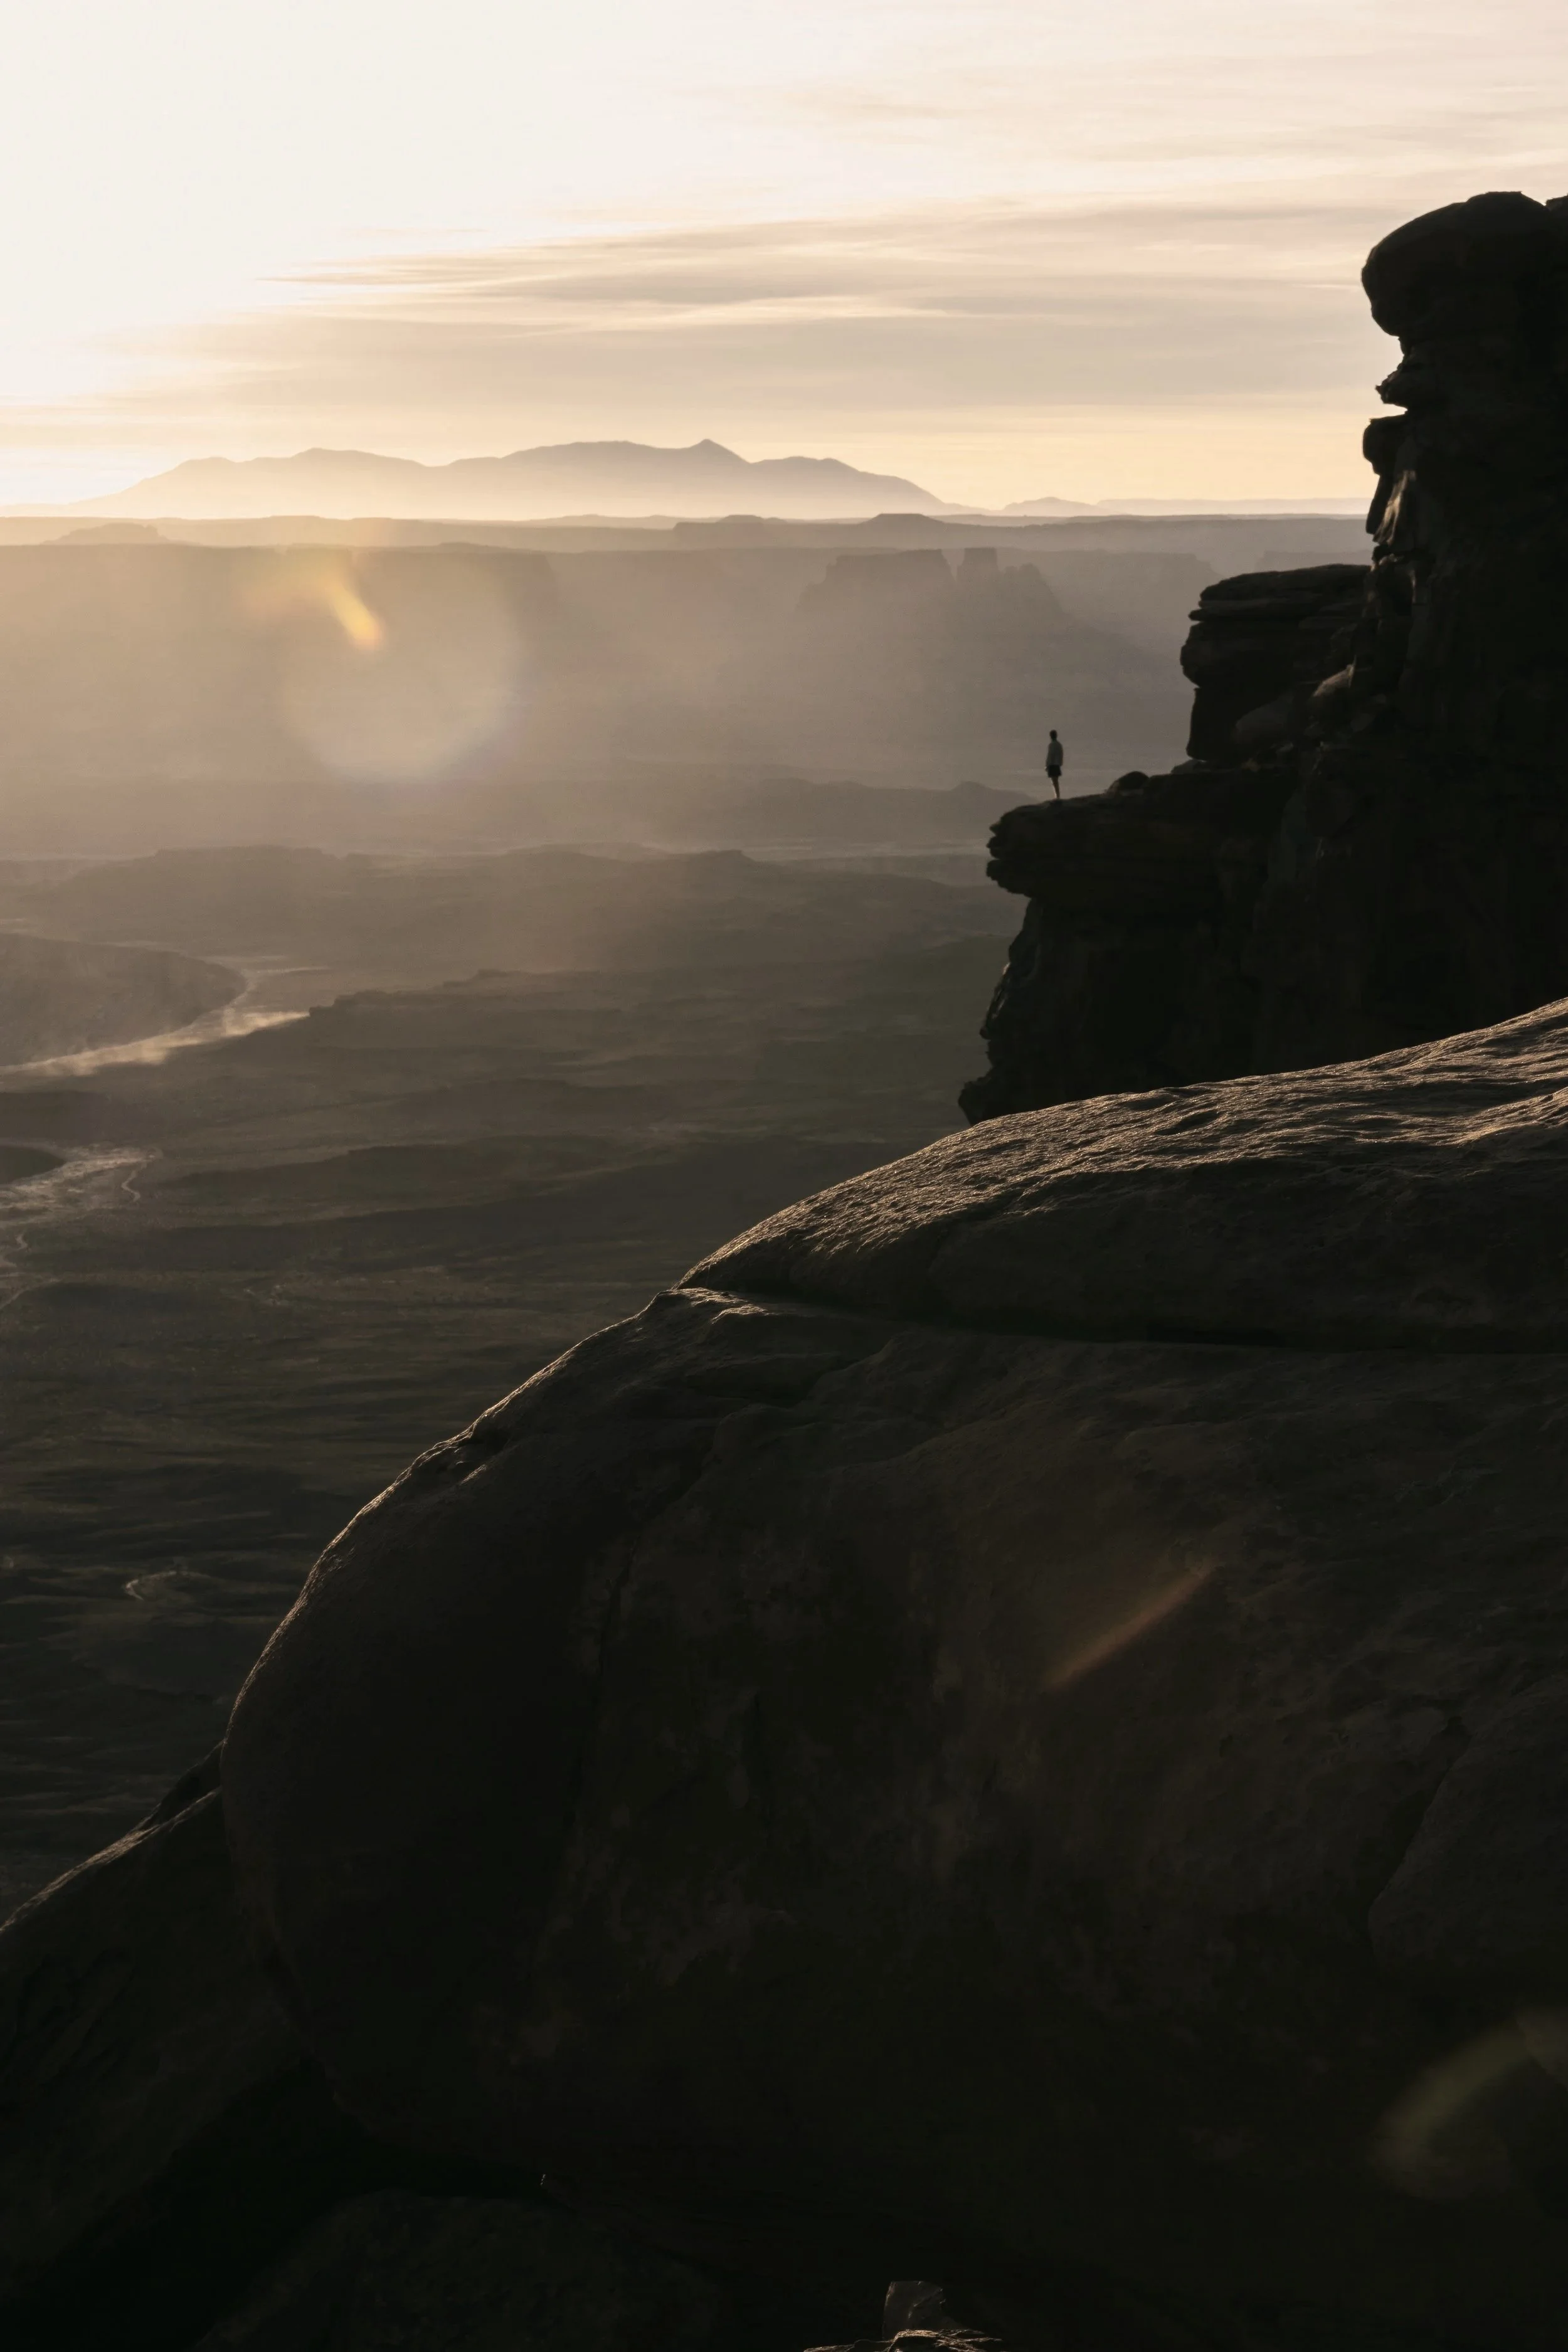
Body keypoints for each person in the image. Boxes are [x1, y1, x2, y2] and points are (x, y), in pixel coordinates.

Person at [1045, 728, 1064, 799]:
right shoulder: (1059, 745)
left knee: (1054, 781)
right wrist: (1060, 763)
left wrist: (1047, 765)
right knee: (1056, 781)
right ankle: (1057, 795)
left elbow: (1050, 755)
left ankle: (1057, 796)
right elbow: (1061, 754)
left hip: (1052, 765)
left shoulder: (1052, 745)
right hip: (1057, 764)